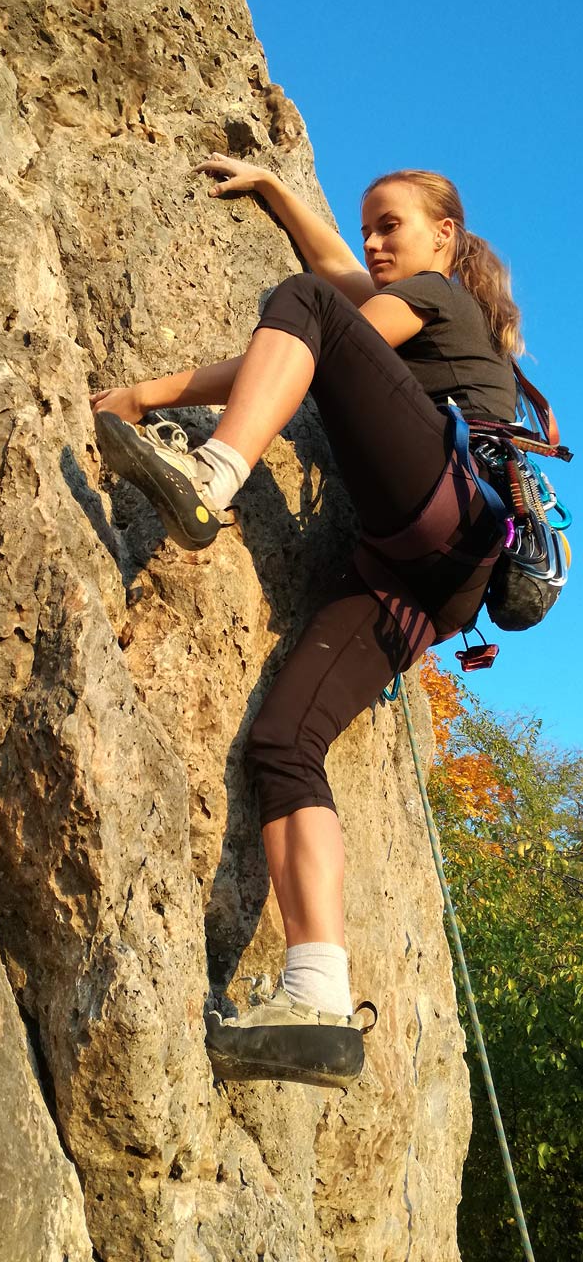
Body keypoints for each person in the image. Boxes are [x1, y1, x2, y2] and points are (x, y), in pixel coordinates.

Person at [90, 157, 521, 1088]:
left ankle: (211, 478)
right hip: (431, 583)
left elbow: (318, 323)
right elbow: (335, 263)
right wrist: (277, 187)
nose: (372, 242)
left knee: (304, 310)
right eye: (368, 226)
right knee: (286, 743)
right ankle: (319, 997)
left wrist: (144, 396)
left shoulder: (438, 296)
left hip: (446, 511)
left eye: (390, 225)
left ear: (443, 240)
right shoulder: (416, 303)